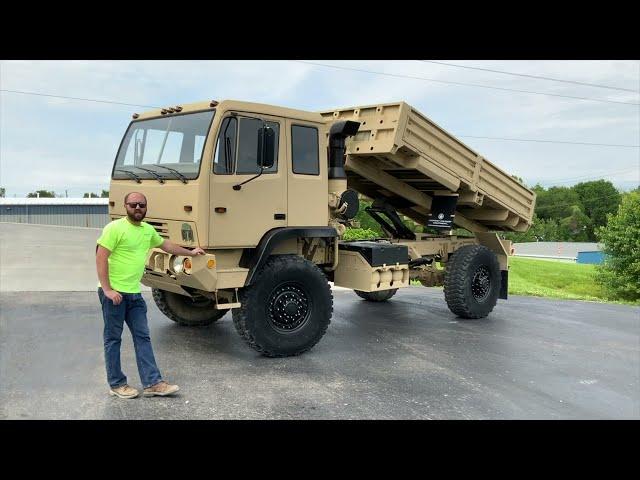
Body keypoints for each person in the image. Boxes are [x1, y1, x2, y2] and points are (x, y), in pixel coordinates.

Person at [96, 192, 205, 399]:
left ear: (146, 208)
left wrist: (190, 252)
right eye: (133, 204)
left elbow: (166, 245)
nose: (138, 208)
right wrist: (108, 290)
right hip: (114, 294)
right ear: (125, 206)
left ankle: (153, 383)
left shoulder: (147, 230)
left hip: (134, 294)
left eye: (142, 205)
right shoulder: (114, 228)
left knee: (142, 337)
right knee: (113, 339)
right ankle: (117, 384)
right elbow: (100, 257)